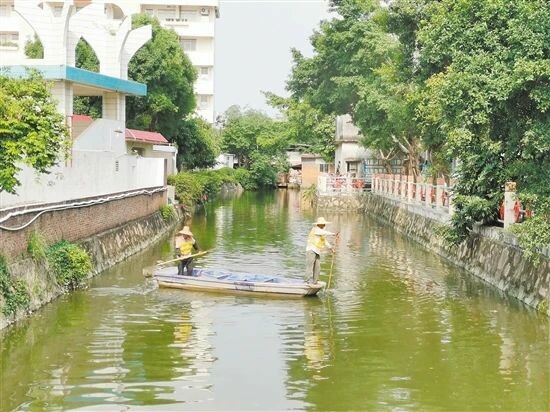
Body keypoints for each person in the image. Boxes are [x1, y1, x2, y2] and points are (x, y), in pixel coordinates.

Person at [305, 217, 334, 284]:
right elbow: (324, 232)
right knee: (310, 267)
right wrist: (333, 234)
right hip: (311, 251)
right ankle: (306, 281)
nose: (324, 225)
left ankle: (315, 281)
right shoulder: (315, 229)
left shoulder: (321, 233)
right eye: (323, 224)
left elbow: (325, 241)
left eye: (324, 224)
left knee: (317, 268)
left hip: (317, 251)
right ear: (319, 224)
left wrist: (331, 248)